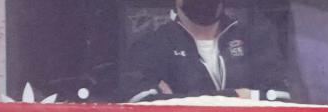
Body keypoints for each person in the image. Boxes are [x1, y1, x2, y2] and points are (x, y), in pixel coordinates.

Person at [118, 0, 290, 103]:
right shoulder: (153, 44)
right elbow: (139, 102)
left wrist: (177, 99)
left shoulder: (255, 38)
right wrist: (239, 95)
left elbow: (281, 96)